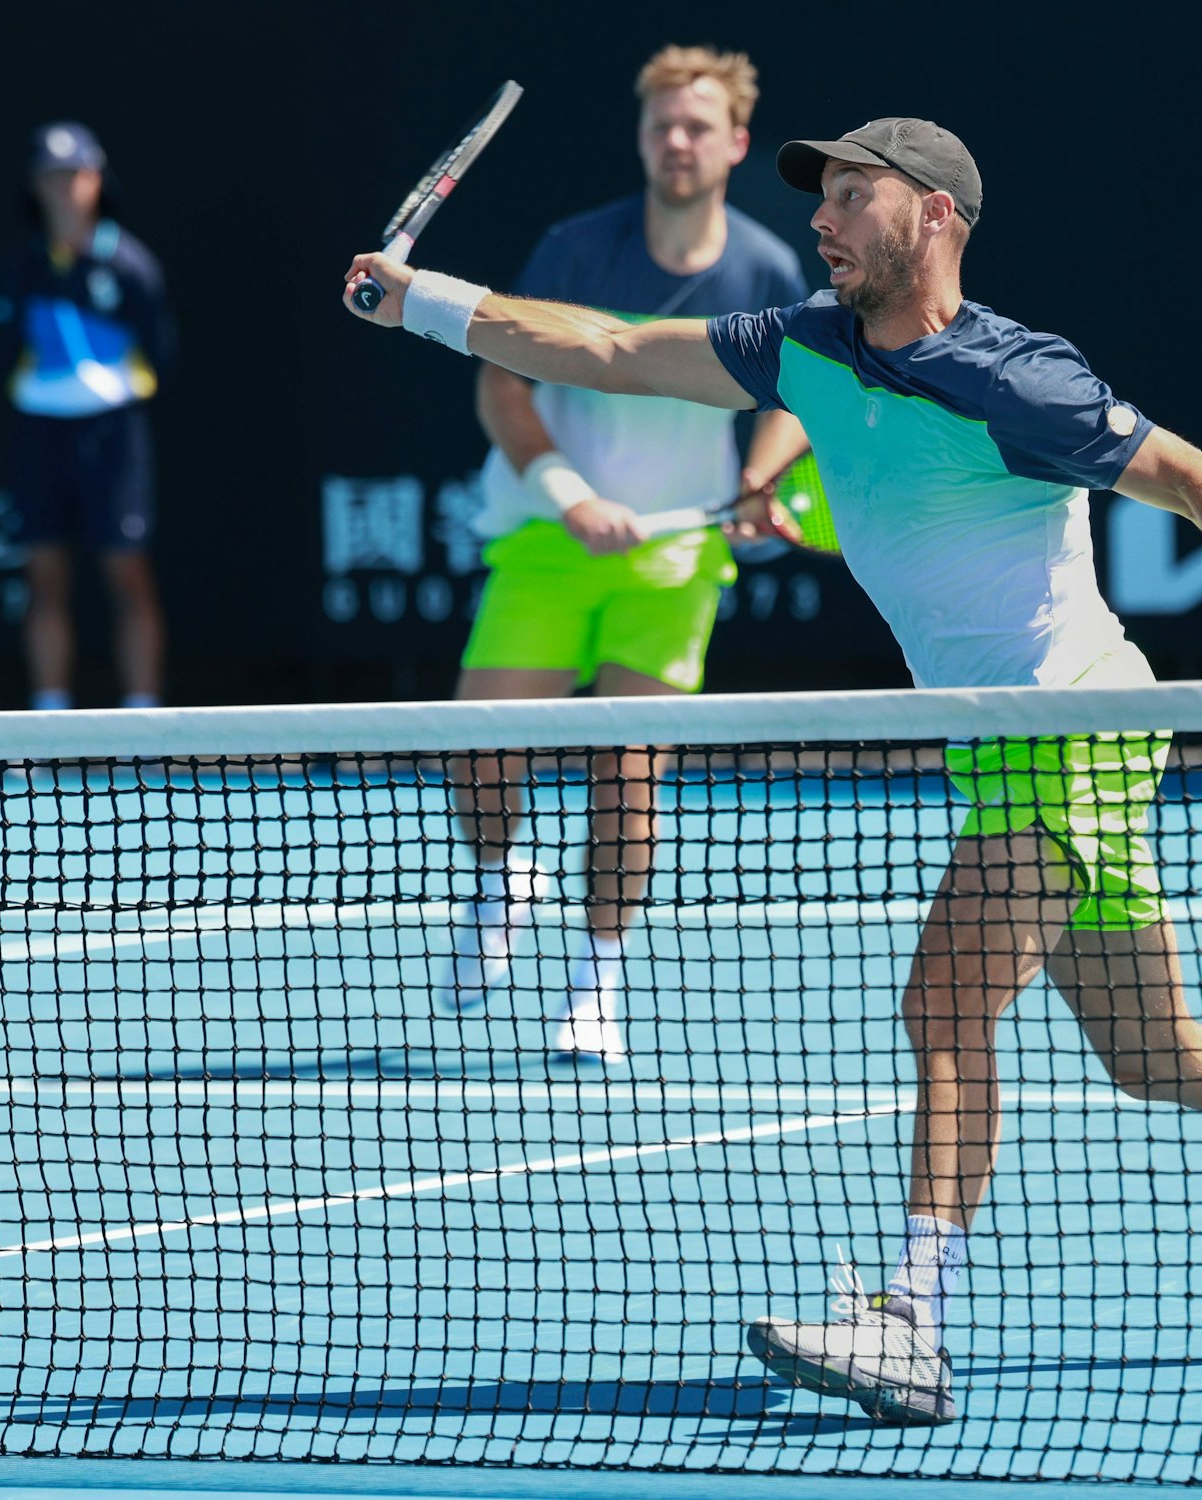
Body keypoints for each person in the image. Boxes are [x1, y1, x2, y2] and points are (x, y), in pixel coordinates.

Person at [342, 115, 1202, 1427]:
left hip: (1072, 724)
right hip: (1011, 746)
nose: (827, 221)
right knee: (1154, 1050)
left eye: (855, 196)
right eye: (825, 198)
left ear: (937, 217)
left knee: (942, 1007)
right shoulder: (805, 348)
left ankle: (910, 1324)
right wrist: (427, 305)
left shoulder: (1014, 376)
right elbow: (608, 348)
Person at [439, 45, 810, 1065]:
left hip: (672, 560)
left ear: (734, 143)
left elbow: (797, 403)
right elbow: (500, 381)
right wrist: (571, 498)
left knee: (627, 776)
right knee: (476, 755)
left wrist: (753, 487)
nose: (675, 143)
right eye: (659, 127)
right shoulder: (571, 251)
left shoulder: (764, 274)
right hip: (547, 539)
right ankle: (503, 877)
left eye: (695, 127)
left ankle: (597, 980)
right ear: (641, 139)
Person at [0, 122, 172, 711]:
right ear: (35, 188)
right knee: (43, 576)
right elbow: (2, 351)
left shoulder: (132, 268)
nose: (64, 188)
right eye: (52, 177)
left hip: (112, 433)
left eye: (74, 175)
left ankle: (143, 728)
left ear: (97, 181)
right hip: (39, 431)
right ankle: (48, 720)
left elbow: (161, 353)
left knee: (128, 575)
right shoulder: (22, 269)